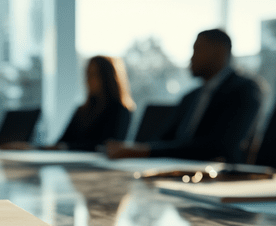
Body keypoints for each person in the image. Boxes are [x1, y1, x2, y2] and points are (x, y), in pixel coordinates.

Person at [106, 29, 262, 164]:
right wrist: (138, 149)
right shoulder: (191, 97)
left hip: (218, 178)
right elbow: (165, 138)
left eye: (197, 50)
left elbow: (220, 147)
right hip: (174, 169)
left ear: (219, 51)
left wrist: (145, 151)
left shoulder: (245, 90)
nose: (191, 58)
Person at [49, 55, 135, 151]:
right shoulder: (81, 110)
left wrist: (67, 147)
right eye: (87, 74)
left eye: (93, 74)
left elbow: (107, 145)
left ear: (107, 77)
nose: (88, 80)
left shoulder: (120, 111)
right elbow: (61, 142)